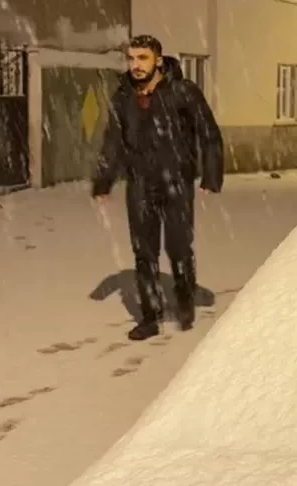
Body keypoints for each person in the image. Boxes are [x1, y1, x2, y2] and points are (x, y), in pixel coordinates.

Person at [92, 34, 224, 341]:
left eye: (143, 58)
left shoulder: (182, 92)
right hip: (140, 183)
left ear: (158, 61)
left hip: (176, 182)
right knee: (144, 252)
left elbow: (209, 133)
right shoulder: (123, 96)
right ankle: (150, 317)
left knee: (178, 248)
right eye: (131, 58)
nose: (135, 65)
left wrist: (211, 175)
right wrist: (104, 181)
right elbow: (114, 141)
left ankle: (185, 300)